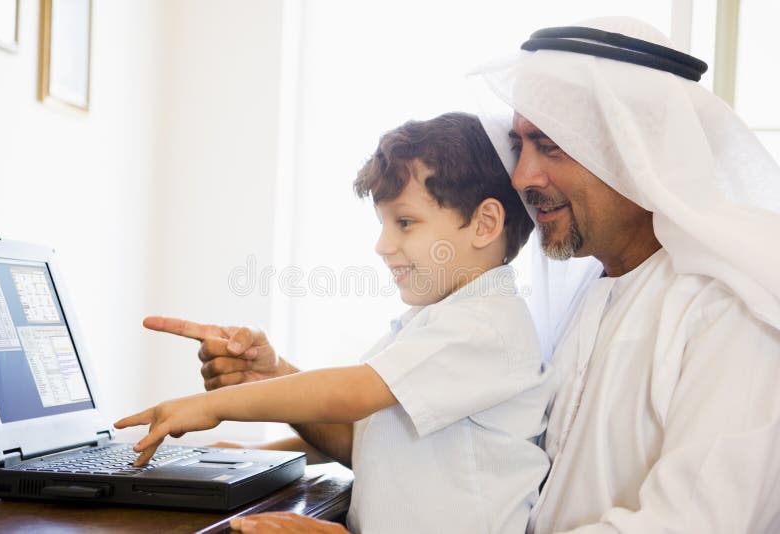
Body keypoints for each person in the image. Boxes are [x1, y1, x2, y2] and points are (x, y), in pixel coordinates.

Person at [148, 16, 780, 533]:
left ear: (635, 150)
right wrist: (275, 376)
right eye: (522, 145)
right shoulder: (594, 298)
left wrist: (219, 407)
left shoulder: (727, 312)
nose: (523, 175)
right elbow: (411, 449)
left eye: (549, 147)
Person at [116, 112, 554, 534]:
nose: (383, 245)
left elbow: (349, 395)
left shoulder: (483, 324)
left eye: (404, 222)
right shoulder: (440, 320)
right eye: (384, 224)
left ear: (485, 223)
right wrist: (258, 442)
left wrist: (208, 405)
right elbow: (373, 438)